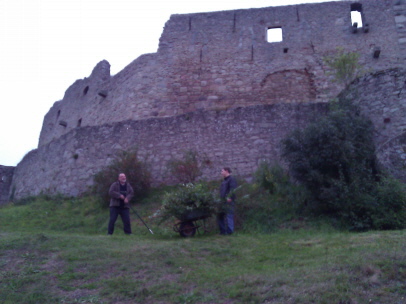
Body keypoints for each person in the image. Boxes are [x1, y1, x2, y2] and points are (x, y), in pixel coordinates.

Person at [218, 167, 238, 235]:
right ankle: (223, 231)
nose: (221, 172)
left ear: (226, 171)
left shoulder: (231, 179)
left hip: (229, 201)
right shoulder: (224, 181)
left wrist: (230, 198)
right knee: (220, 215)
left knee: (229, 215)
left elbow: (233, 189)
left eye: (222, 171)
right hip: (222, 201)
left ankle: (230, 231)